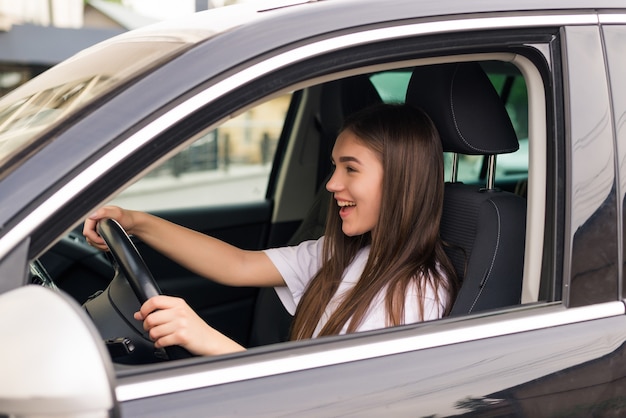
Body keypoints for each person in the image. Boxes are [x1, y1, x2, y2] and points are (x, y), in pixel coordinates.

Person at [83, 102, 458, 356]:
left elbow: (332, 403)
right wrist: (137, 223)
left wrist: (207, 340)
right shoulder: (345, 254)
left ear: (399, 181)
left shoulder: (415, 294)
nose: (331, 185)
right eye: (334, 167)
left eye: (351, 169)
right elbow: (238, 265)